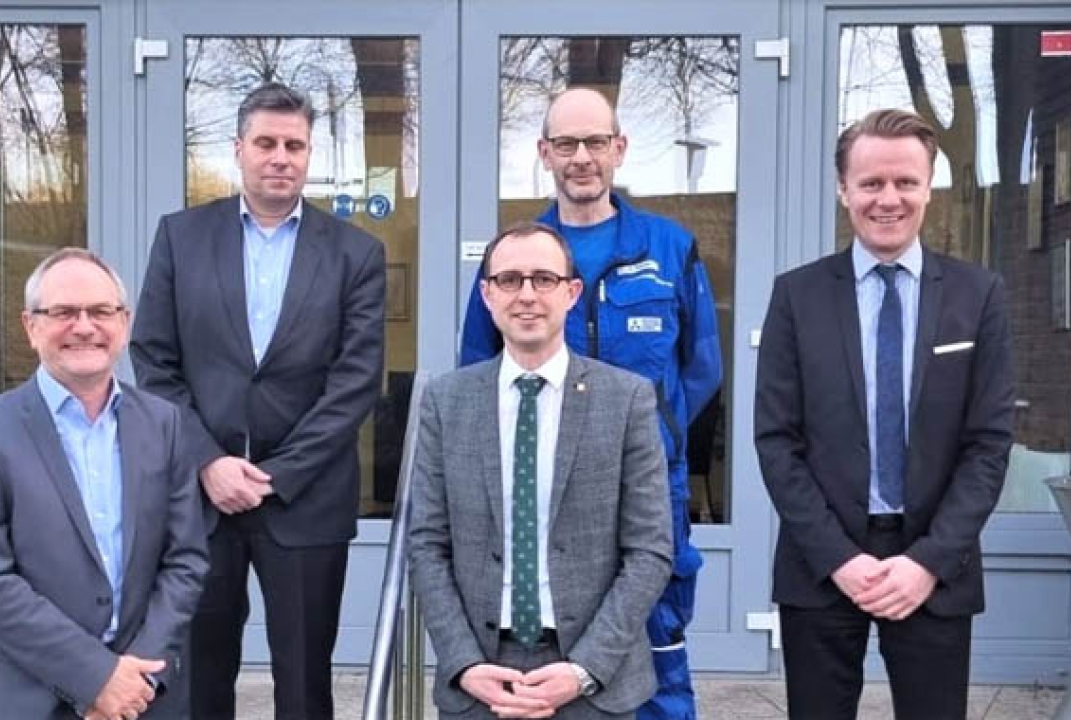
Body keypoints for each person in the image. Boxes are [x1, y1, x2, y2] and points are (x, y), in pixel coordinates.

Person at [460, 87, 721, 720]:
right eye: (567, 144)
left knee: (658, 657)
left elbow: (701, 369)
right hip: (541, 496)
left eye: (596, 142)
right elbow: (476, 371)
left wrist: (641, 435)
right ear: (545, 153)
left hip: (649, 490)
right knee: (548, 669)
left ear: (619, 149)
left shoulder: (668, 248)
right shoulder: (517, 256)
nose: (582, 157)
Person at [130, 81, 385, 720]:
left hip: (306, 501)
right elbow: (154, 360)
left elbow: (355, 381)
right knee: (198, 681)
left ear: (309, 155)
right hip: (200, 500)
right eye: (266, 142)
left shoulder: (356, 253)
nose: (281, 156)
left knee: (304, 685)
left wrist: (277, 476)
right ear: (239, 149)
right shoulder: (181, 238)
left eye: (294, 145)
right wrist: (208, 462)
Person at [754, 108, 1015, 719]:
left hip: (936, 563)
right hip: (822, 563)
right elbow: (776, 441)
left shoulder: (980, 297)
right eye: (871, 183)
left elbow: (988, 445)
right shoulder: (797, 295)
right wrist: (840, 560)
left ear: (929, 188)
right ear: (844, 190)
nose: (888, 199)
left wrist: (928, 562)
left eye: (905, 182)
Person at [410, 222, 674, 720]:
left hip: (595, 679)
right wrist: (464, 663)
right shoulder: (447, 402)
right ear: (487, 294)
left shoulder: (628, 399)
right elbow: (427, 543)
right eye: (509, 280)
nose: (527, 294)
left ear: (572, 292)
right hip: (481, 676)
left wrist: (583, 668)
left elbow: (650, 550)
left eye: (544, 279)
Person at [0, 248, 209, 720]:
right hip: (27, 695)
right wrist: (96, 677)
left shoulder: (164, 423)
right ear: (31, 326)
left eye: (101, 311)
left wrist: (133, 679)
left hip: (145, 695)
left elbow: (185, 560)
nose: (84, 326)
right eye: (63, 312)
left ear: (123, 323)